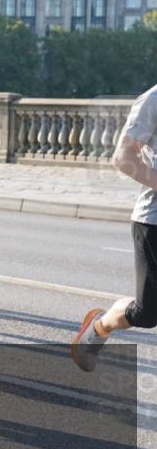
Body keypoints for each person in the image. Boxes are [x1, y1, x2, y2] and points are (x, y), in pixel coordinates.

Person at [71, 84, 157, 371]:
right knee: (146, 314)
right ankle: (96, 329)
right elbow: (124, 157)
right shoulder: (153, 99)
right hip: (153, 221)